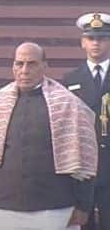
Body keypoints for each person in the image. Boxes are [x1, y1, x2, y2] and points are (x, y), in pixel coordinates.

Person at [0, 42, 97, 230]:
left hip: (55, 211)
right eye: (19, 63)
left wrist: (83, 206)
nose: (24, 70)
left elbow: (86, 159)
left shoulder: (70, 106)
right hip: (2, 209)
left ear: (44, 66)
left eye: (31, 64)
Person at [63, 12, 110, 229]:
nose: (96, 43)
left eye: (101, 38)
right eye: (91, 38)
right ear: (82, 42)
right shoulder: (71, 80)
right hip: (83, 165)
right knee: (84, 223)